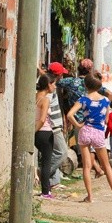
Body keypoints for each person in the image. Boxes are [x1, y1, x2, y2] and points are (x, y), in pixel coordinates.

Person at [66, 73, 112, 203]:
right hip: (98, 133)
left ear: (85, 85)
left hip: (85, 131)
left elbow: (70, 114)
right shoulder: (105, 101)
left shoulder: (83, 99)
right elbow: (106, 118)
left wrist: (78, 125)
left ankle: (90, 196)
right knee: (106, 165)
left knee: (87, 166)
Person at [40, 61, 71, 189]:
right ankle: (43, 173)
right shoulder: (49, 88)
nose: (61, 77)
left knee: (53, 153)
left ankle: (54, 181)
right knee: (62, 153)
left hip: (56, 124)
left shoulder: (51, 86)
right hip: (52, 126)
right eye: (61, 74)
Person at [35, 73, 58, 199]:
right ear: (48, 85)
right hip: (45, 132)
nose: (55, 87)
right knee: (46, 162)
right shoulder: (45, 100)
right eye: (53, 84)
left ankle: (45, 190)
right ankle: (45, 191)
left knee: (43, 161)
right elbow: (43, 119)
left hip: (38, 132)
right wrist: (35, 130)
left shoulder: (35, 97)